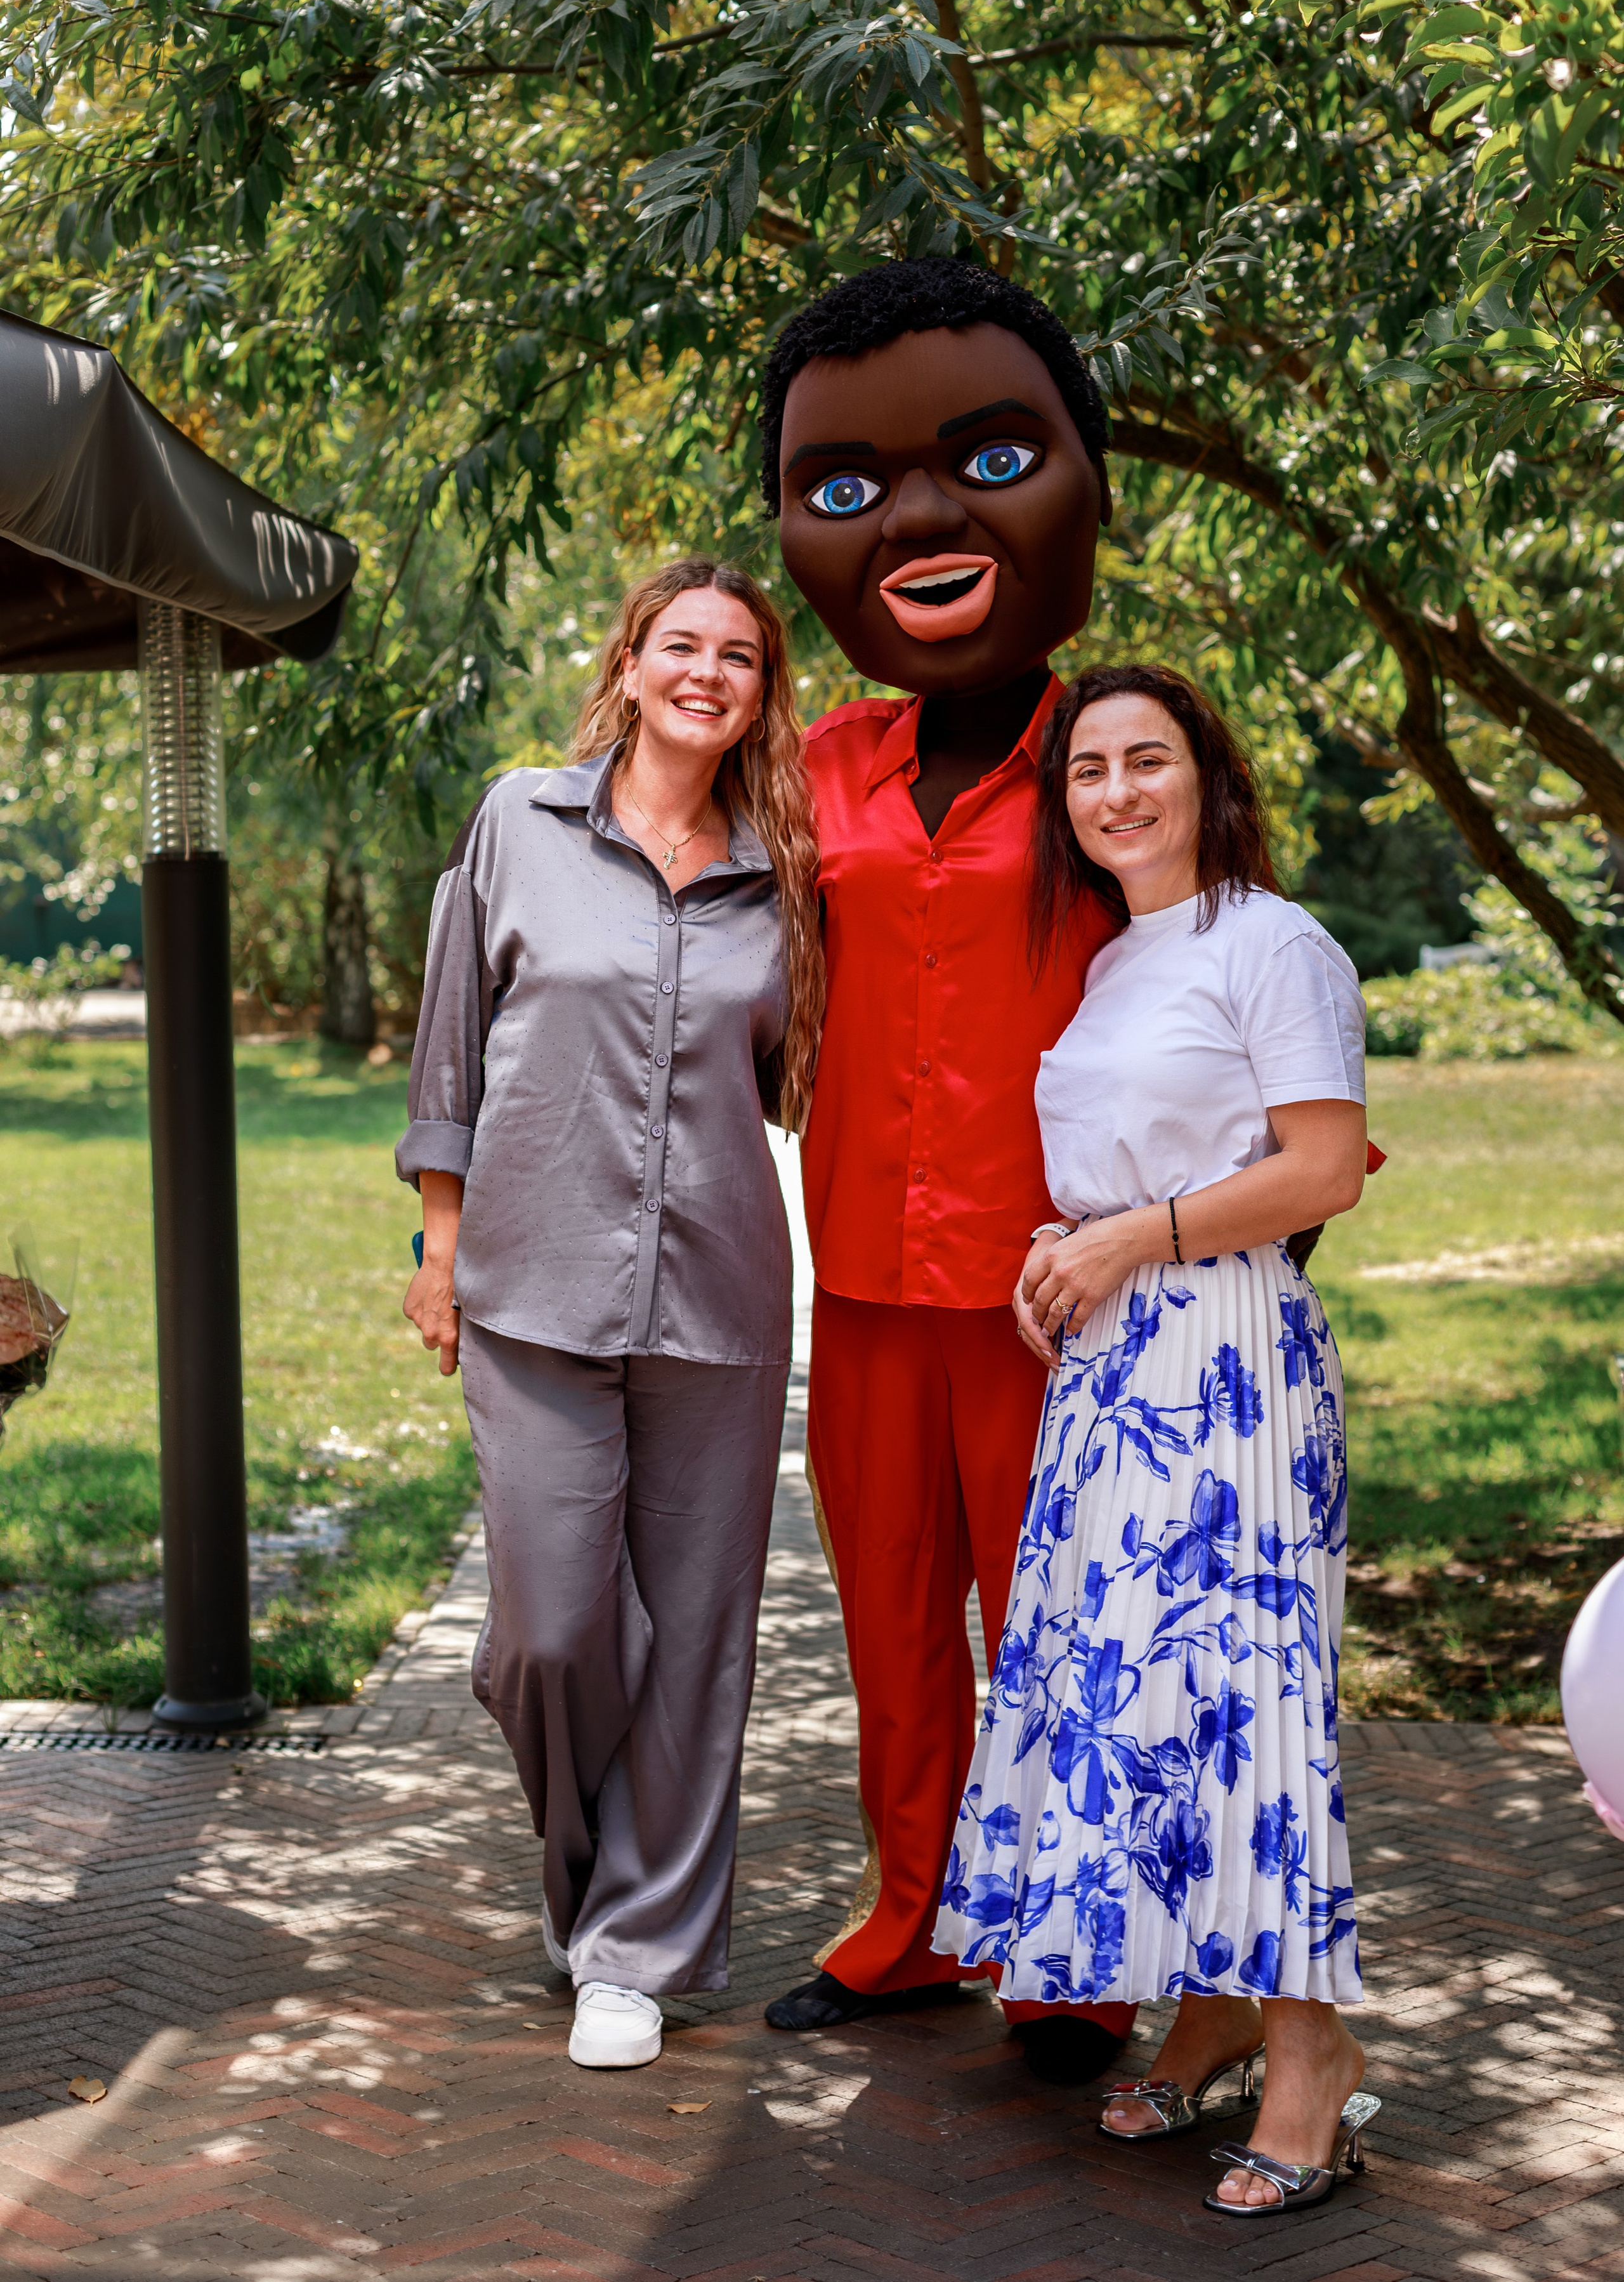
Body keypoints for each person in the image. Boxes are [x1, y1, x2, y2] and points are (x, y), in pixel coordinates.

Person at [933, 662, 1380, 2217]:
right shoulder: (1119, 960)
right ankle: (1208, 2008)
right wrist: (1065, 1249)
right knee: (1146, 1698)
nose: (1115, 792)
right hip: (1117, 1368)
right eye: (1086, 771)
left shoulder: (1273, 940)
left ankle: (1309, 2052)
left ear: (1207, 776)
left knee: (1245, 1697)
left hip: (1233, 1366)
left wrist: (1130, 1237)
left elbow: (1321, 1167)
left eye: (1147, 761)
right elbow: (1134, 1172)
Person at [758, 256, 1137, 2082]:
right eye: (842, 489)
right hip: (867, 1275)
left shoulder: (1116, 761)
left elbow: (1220, 983)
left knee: (1052, 1618)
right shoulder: (821, 761)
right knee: (897, 1623)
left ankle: (1065, 1952)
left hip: (1052, 1281)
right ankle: (912, 1921)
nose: (912, 522)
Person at [397, 558, 822, 2072]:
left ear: (763, 696)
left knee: (697, 1634)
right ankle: (592, 1886)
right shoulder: (520, 818)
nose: (709, 673)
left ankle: (633, 1950)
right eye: (682, 646)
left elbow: (809, 1080)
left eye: (743, 659)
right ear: (631, 663)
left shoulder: (786, 875)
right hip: (527, 1282)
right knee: (550, 1634)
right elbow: (450, 1045)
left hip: (716, 1296)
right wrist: (439, 1246)